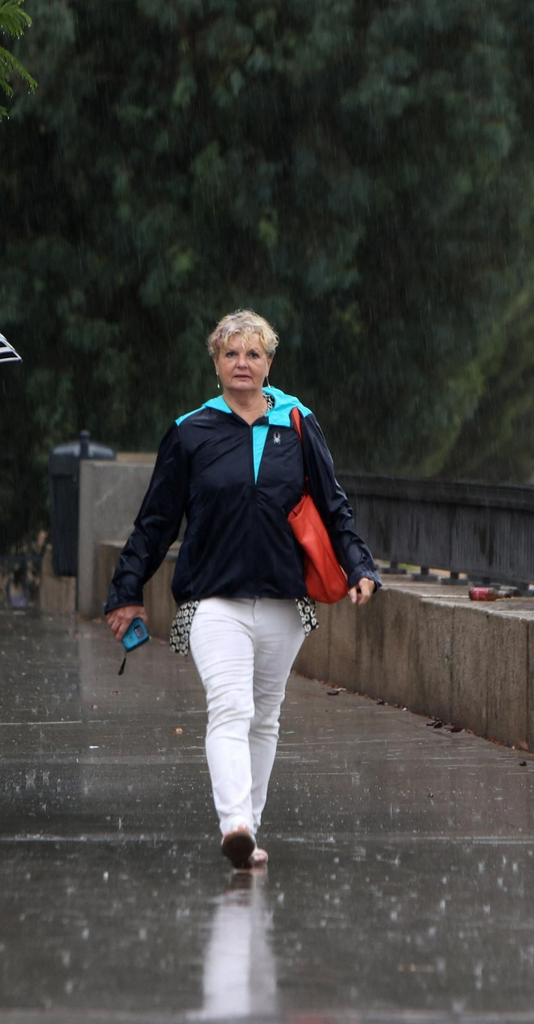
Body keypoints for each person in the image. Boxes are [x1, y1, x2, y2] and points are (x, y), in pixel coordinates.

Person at [104, 310, 379, 870]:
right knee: (231, 707)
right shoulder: (191, 431)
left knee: (266, 715)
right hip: (212, 600)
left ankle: (249, 828)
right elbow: (156, 522)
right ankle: (235, 823)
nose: (242, 364)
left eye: (253, 354)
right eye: (231, 354)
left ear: (269, 362)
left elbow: (333, 505)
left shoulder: (297, 422)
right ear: (215, 362)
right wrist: (126, 590)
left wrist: (359, 566)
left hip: (282, 599)